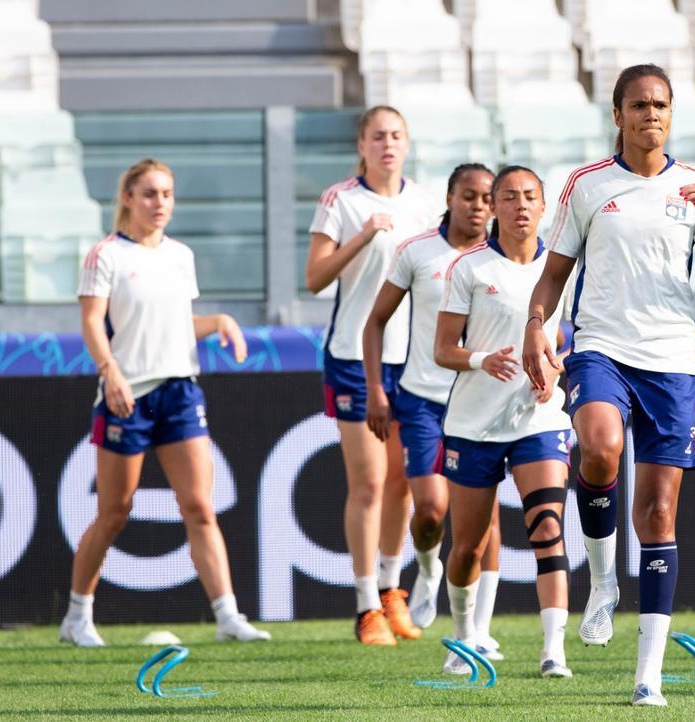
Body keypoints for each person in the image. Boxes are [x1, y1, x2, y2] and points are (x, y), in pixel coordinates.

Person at [522, 64, 695, 706]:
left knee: (657, 513)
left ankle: (647, 674)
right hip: (601, 346)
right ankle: (600, 583)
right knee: (597, 448)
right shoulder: (588, 185)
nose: (651, 113)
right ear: (617, 115)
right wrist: (538, 325)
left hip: (673, 361)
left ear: (671, 114)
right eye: (639, 104)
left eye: (661, 104)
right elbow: (553, 272)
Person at [61, 158, 270, 647]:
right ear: (129, 198)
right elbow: (92, 321)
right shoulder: (105, 254)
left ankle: (227, 617)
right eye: (150, 194)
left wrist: (218, 321)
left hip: (179, 389)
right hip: (126, 394)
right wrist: (109, 370)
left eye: (168, 194)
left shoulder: (180, 255)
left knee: (199, 506)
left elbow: (176, 321)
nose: (160, 204)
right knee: (114, 511)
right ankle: (76, 616)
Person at [306, 106, 442, 645]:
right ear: (361, 145)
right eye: (377, 136)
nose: (387, 144)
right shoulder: (341, 200)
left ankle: (392, 590)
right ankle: (365, 605)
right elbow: (315, 277)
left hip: (413, 359)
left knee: (403, 482)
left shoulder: (427, 202)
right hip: (353, 357)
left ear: (407, 143)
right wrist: (361, 237)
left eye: (395, 135)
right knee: (367, 482)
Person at [434, 165, 574, 678]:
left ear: (544, 208)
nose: (520, 206)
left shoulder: (562, 270)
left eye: (530, 197)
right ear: (494, 207)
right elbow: (443, 349)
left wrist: (555, 365)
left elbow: (569, 335)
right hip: (474, 422)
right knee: (468, 543)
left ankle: (553, 650)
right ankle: (464, 637)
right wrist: (480, 359)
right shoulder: (470, 268)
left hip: (539, 416)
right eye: (509, 197)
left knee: (548, 528)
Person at [361, 163, 505, 659]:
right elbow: (375, 320)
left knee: (486, 524)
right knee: (430, 511)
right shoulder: (417, 252)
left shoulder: (505, 258)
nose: (479, 206)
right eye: (469, 196)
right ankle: (427, 570)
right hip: (422, 399)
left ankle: (479, 631)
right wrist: (376, 390)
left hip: (484, 400)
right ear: (450, 198)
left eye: (488, 197)